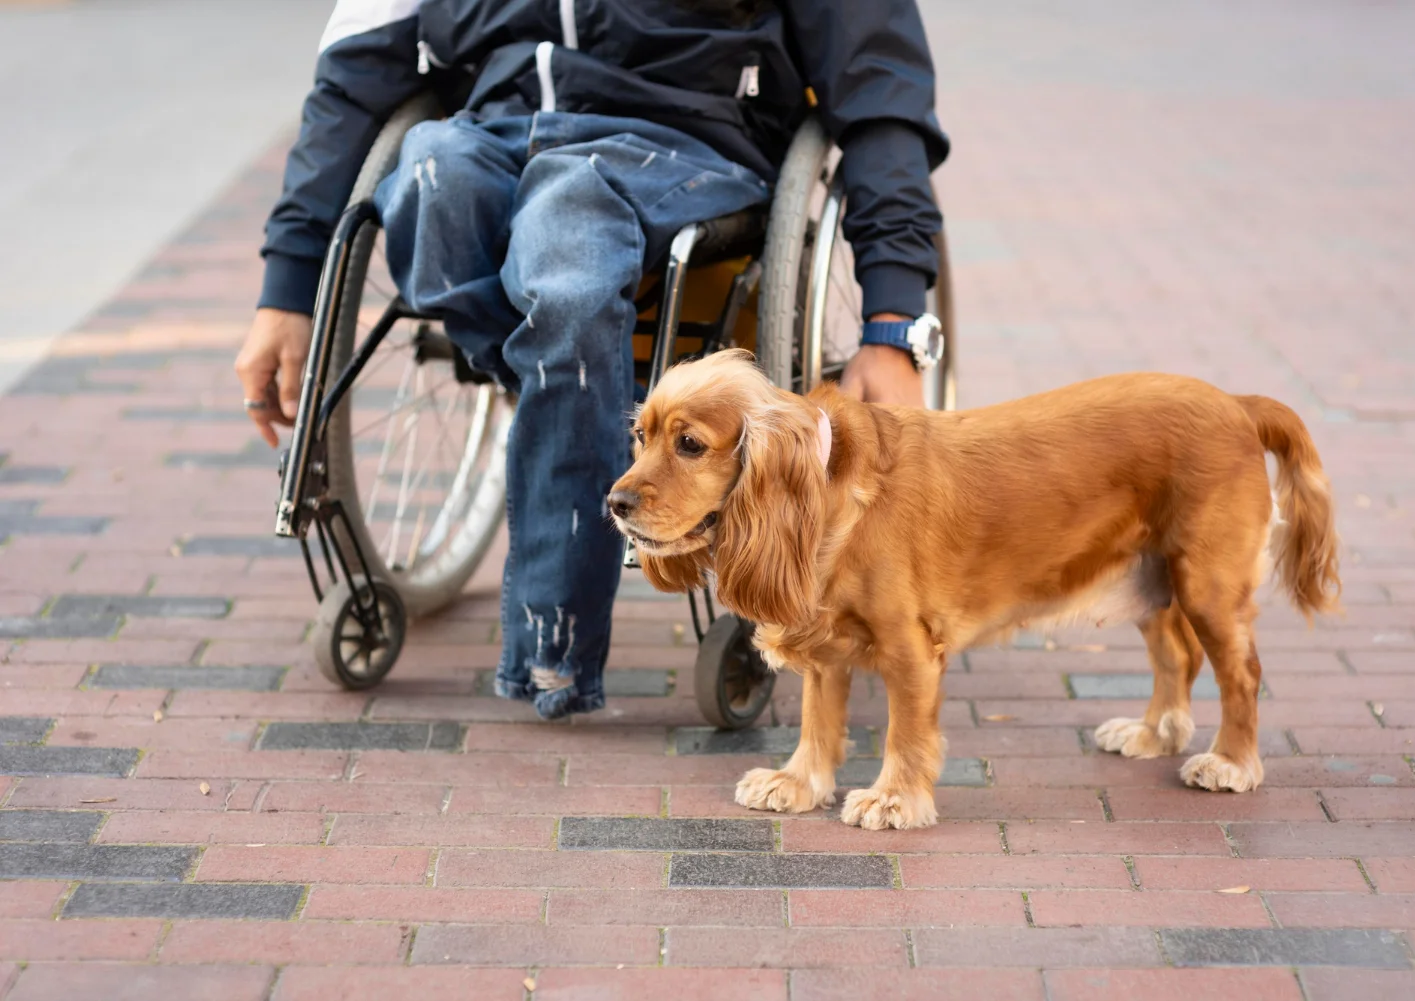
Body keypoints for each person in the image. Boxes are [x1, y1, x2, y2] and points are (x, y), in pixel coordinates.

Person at [234, 0, 949, 720]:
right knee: (425, 176)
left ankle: (555, 647)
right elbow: (357, 70)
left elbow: (877, 75)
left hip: (687, 137)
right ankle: (571, 385)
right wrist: (287, 289)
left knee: (566, 221)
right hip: (497, 126)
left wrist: (892, 319)